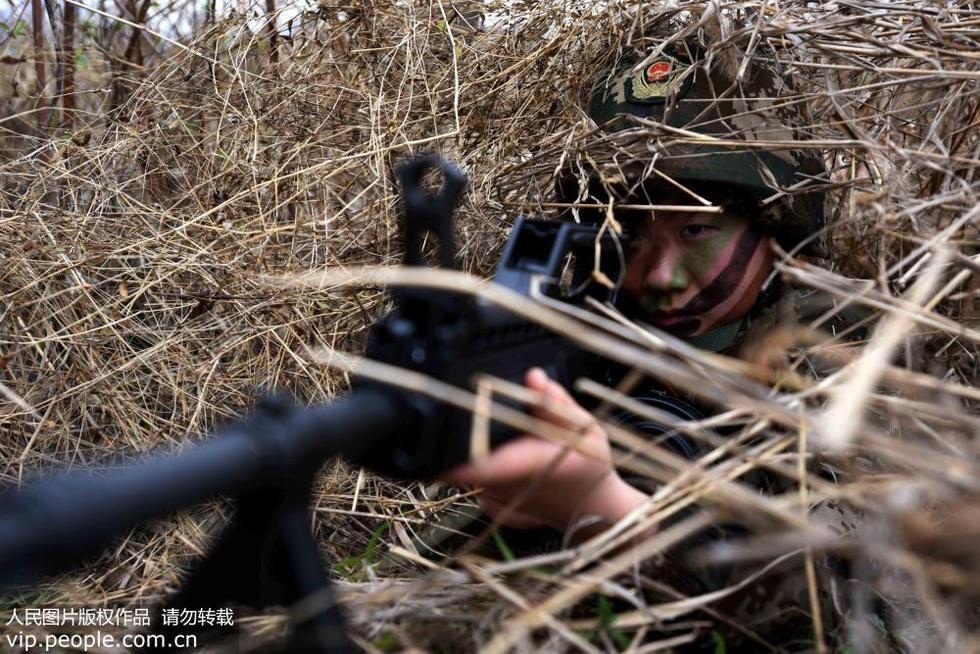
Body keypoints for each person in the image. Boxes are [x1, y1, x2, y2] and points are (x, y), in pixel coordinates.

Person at [443, 44, 832, 541]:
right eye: (629, 235)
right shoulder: (579, 355)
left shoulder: (851, 362)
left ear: (776, 232)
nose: (658, 276)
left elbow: (854, 598)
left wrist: (608, 512)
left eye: (695, 231)